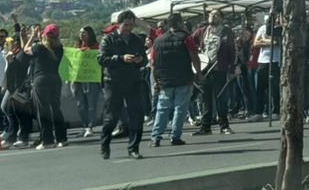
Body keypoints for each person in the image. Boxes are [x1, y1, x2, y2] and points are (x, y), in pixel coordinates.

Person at [99, 11, 146, 159]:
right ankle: (105, 144)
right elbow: (102, 59)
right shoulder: (108, 39)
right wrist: (120, 58)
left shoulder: (137, 40)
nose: (128, 28)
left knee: (136, 116)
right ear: (119, 24)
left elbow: (144, 58)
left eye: (131, 25)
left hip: (133, 81)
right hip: (114, 82)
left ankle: (134, 148)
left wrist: (140, 60)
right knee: (111, 117)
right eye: (126, 25)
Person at [150, 13, 200, 147]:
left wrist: (156, 80)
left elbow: (153, 63)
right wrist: (198, 73)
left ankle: (156, 137)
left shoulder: (158, 41)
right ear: (178, 23)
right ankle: (175, 136)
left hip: (164, 80)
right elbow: (194, 56)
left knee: (162, 109)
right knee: (180, 108)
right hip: (183, 78)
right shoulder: (186, 38)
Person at [191, 10, 235, 136]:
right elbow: (190, 41)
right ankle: (205, 127)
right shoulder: (202, 31)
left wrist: (233, 68)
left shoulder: (227, 32)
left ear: (221, 18)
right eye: (211, 14)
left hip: (219, 69)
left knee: (221, 98)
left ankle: (224, 126)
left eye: (216, 15)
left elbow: (233, 50)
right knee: (205, 99)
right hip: (205, 70)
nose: (212, 16)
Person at [23, 24, 66, 149]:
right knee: (56, 108)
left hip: (41, 79)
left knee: (43, 110)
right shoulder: (60, 48)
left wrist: (32, 36)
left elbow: (26, 49)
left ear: (44, 35)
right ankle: (61, 138)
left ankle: (47, 140)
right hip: (55, 79)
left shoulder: (39, 48)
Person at [69, 26, 102, 138]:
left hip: (91, 79)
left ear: (90, 34)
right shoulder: (77, 47)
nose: (81, 34)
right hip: (78, 80)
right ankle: (84, 126)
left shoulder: (96, 47)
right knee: (80, 105)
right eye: (80, 32)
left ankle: (90, 126)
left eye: (84, 32)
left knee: (91, 104)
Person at [253, 14, 281, 120]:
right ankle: (258, 112)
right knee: (260, 88)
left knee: (274, 88)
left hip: (275, 60)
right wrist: (268, 42)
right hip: (262, 60)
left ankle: (276, 111)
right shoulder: (262, 28)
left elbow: (277, 42)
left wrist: (263, 40)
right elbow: (256, 43)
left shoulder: (278, 29)